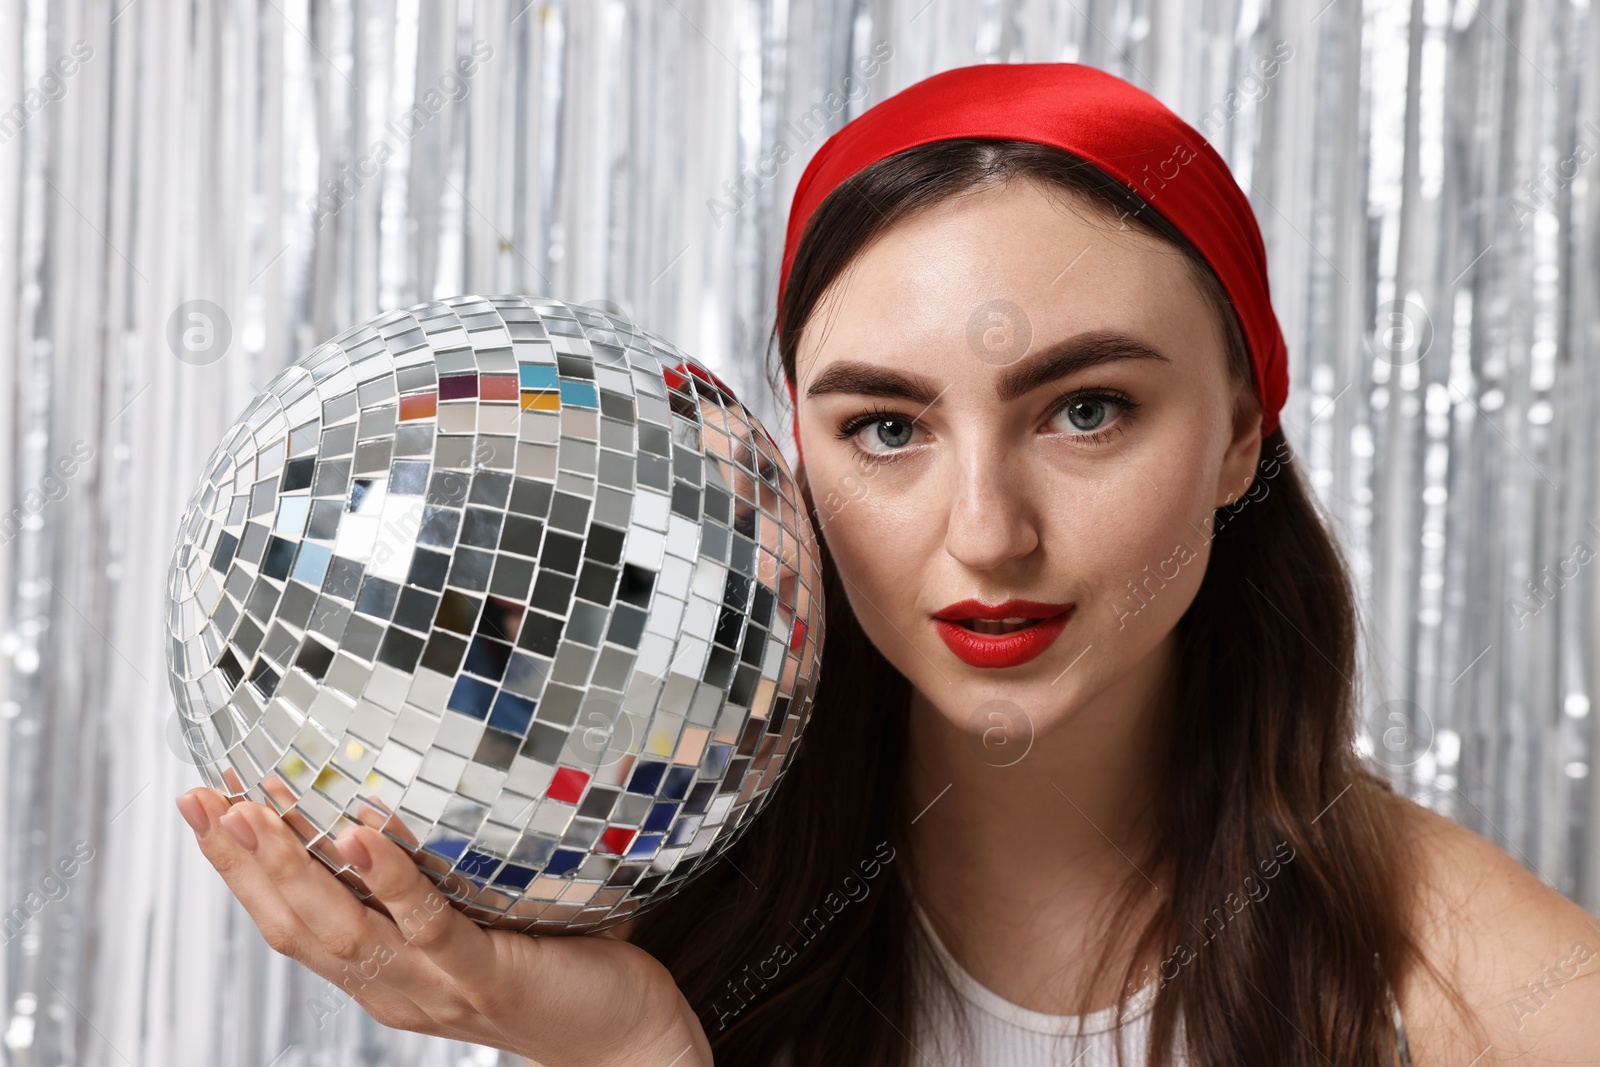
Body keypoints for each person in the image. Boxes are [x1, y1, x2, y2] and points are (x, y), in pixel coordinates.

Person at [173, 63, 1600, 1066]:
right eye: (887, 427)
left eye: (1085, 410)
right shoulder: (628, 911)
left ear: (1239, 437)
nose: (987, 531)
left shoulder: (1481, 985)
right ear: (790, 449)